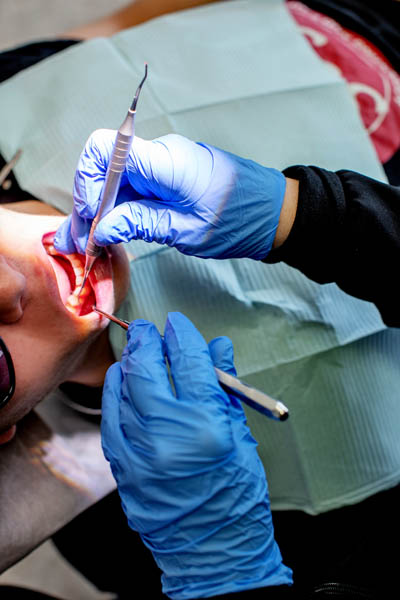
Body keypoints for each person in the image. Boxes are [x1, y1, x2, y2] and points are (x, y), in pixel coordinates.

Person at [1, 1, 400, 599]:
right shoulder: (133, 540)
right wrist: (231, 575)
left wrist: (309, 214)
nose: (6, 289)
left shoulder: (16, 95)